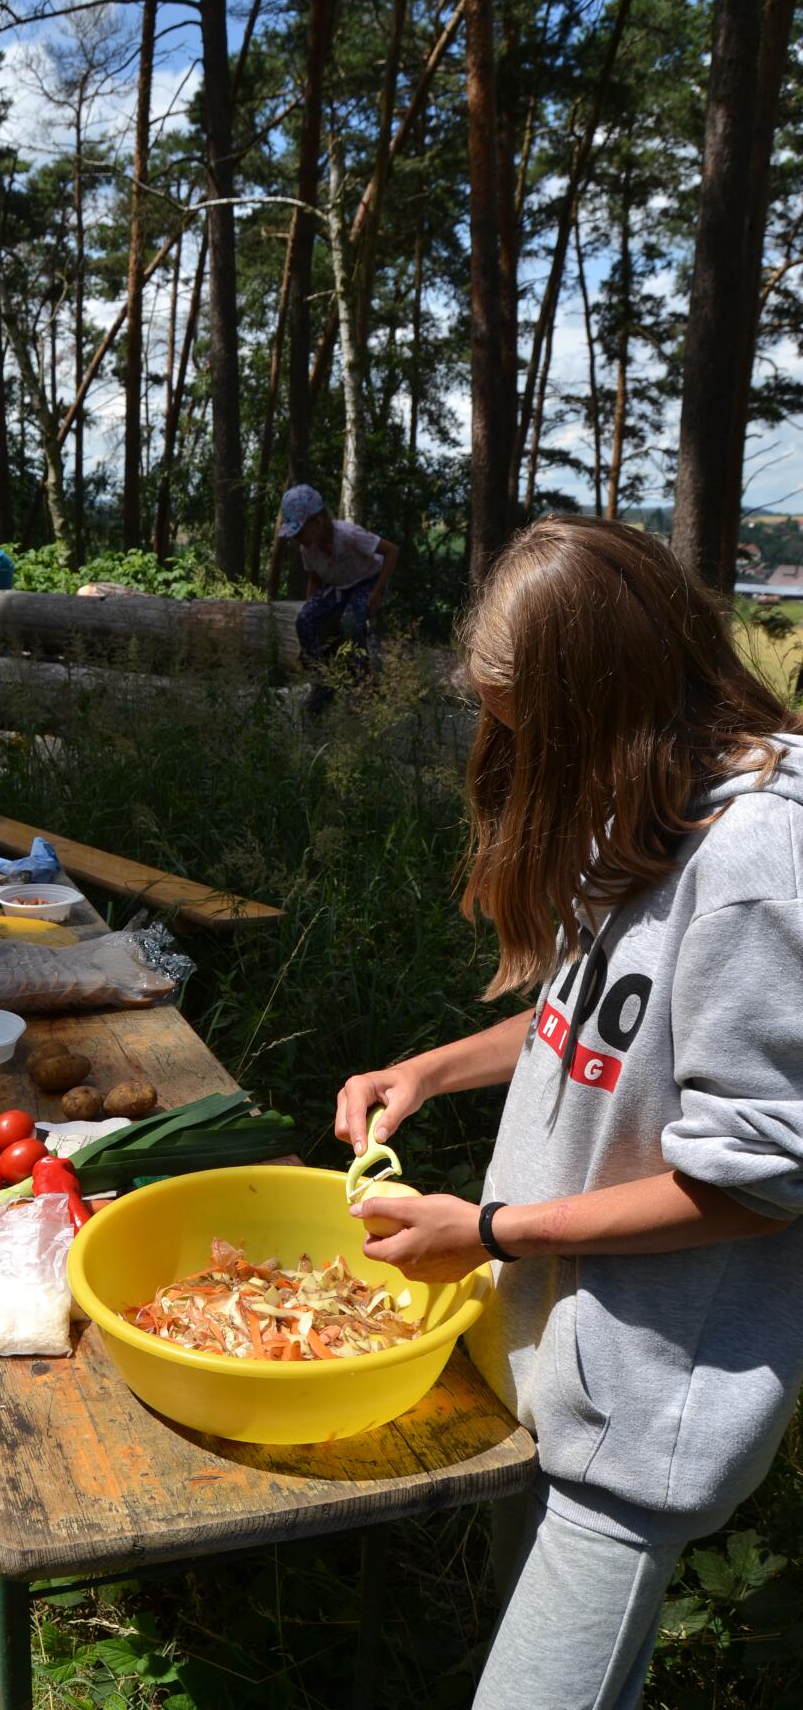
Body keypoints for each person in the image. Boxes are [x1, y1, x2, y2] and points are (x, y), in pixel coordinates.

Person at [334, 515, 803, 1710]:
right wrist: (432, 1069)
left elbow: (755, 1178)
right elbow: (595, 1017)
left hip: (646, 1399)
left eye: (527, 720)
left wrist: (485, 1233)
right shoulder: (646, 792)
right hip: (555, 1359)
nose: (514, 746)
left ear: (607, 698)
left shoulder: (757, 859)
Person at [276, 484, 399, 713]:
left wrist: (378, 592)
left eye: (300, 531)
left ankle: (362, 683)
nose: (297, 538)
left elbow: (392, 551)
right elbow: (314, 579)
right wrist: (310, 609)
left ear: (318, 522)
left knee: (350, 623)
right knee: (304, 619)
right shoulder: (308, 548)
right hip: (339, 587)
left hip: (368, 581)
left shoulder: (350, 535)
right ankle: (322, 683)